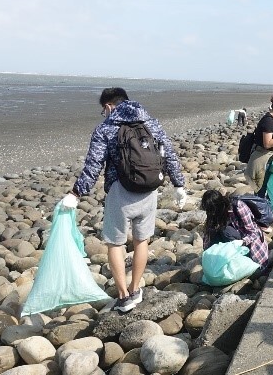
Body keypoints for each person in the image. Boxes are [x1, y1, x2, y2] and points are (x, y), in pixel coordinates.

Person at [61, 87, 186, 313]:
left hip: (120, 192)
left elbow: (93, 164)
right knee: (141, 241)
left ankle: (124, 296)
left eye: (103, 111)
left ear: (109, 107)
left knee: (115, 243)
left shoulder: (106, 128)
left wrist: (76, 193)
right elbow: (169, 154)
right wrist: (179, 185)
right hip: (149, 190)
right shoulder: (151, 123)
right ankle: (135, 288)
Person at [200, 190, 268, 267]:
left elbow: (253, 232)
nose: (211, 213)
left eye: (212, 211)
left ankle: (241, 257)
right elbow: (208, 233)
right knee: (214, 232)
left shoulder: (238, 206)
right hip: (235, 236)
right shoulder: (214, 212)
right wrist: (207, 253)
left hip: (247, 239)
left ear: (219, 205)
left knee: (226, 231)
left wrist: (242, 242)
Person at [244, 95, 273, 195]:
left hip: (266, 157)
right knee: (260, 189)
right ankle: (258, 208)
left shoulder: (270, 119)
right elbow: (267, 143)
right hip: (262, 158)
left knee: (264, 187)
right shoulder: (269, 121)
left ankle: (261, 207)